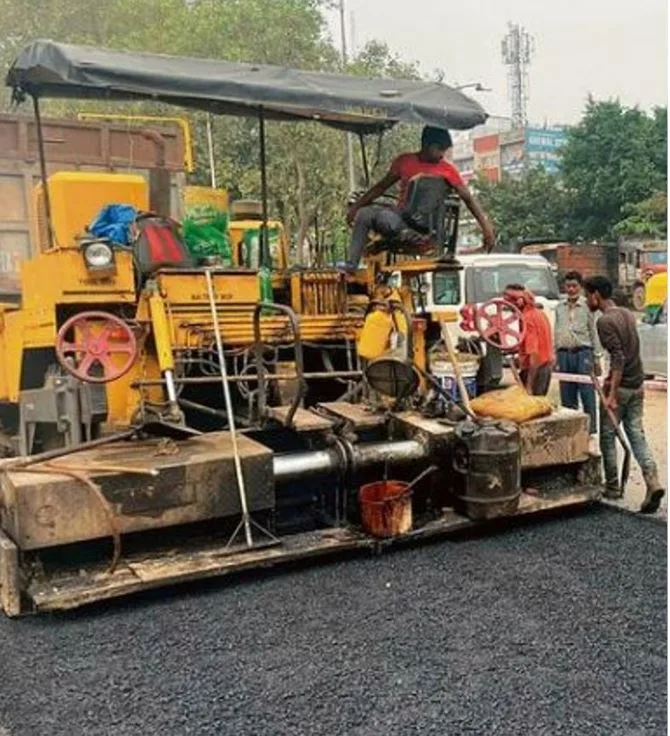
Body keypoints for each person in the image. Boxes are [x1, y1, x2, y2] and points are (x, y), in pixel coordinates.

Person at [345, 126, 494, 271]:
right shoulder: (404, 161)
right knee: (365, 214)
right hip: (401, 220)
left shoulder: (448, 170)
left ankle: (416, 238)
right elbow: (380, 187)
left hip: (428, 225)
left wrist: (486, 227)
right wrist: (356, 207)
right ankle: (351, 266)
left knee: (385, 217)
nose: (442, 154)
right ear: (426, 145)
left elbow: (468, 199)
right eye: (439, 149)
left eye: (444, 150)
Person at [584, 275, 665, 513]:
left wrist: (611, 395)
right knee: (636, 434)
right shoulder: (628, 314)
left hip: (619, 388)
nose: (586, 300)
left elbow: (618, 358)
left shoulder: (604, 322)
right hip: (637, 384)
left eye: (587, 295)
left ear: (596, 295)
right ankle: (652, 480)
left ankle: (612, 486)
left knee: (607, 436)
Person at [554, 270, 603, 446]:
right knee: (567, 394)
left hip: (584, 353)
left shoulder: (588, 307)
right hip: (564, 354)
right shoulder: (559, 307)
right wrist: (555, 356)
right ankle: (571, 431)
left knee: (587, 393)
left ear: (580, 287)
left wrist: (597, 358)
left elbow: (594, 332)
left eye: (574, 286)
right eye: (568, 286)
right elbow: (557, 330)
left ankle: (591, 432)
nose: (571, 289)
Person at [503, 284, 553, 396]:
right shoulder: (539, 313)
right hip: (545, 366)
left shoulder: (527, 319)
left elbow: (534, 354)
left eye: (508, 302)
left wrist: (529, 385)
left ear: (520, 301)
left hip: (536, 370)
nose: (506, 306)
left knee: (532, 402)